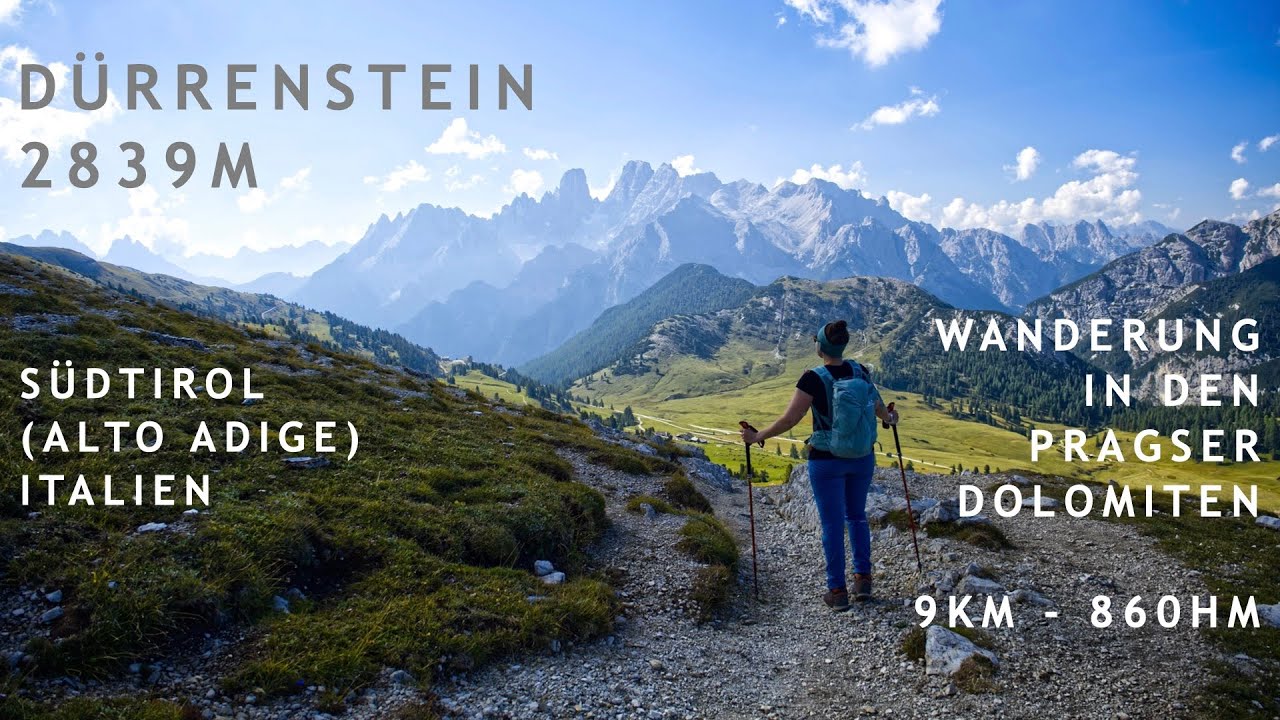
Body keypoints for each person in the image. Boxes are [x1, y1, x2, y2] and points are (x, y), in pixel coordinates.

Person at [740, 320, 897, 611]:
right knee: (857, 517)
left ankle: (837, 592)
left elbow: (790, 420)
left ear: (820, 347)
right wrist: (891, 419)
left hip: (826, 461)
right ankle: (863, 581)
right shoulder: (860, 371)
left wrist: (757, 436)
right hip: (862, 458)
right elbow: (878, 409)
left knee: (832, 524)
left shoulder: (812, 378)